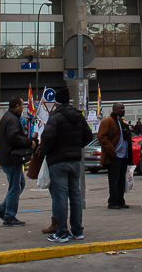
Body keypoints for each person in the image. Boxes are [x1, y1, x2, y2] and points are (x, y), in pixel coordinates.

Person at [40, 86, 92, 243]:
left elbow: (47, 138)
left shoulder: (55, 117)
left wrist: (47, 153)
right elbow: (88, 136)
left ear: (56, 101)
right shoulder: (78, 116)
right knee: (75, 194)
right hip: (75, 160)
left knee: (61, 196)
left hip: (58, 161)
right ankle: (77, 230)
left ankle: (62, 232)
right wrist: (77, 147)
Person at [0, 96, 33, 227]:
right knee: (14, 187)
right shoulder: (12, 120)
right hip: (12, 158)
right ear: (16, 106)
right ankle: (9, 216)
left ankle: (3, 208)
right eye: (22, 105)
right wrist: (29, 142)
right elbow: (14, 138)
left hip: (8, 158)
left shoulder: (9, 117)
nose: (23, 108)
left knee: (19, 183)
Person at [97, 102, 132, 209]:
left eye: (124, 108)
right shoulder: (108, 121)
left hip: (123, 156)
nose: (124, 110)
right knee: (114, 180)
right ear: (115, 110)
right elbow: (102, 137)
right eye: (121, 108)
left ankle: (120, 200)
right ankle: (113, 201)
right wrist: (111, 151)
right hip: (115, 156)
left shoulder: (120, 122)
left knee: (122, 180)